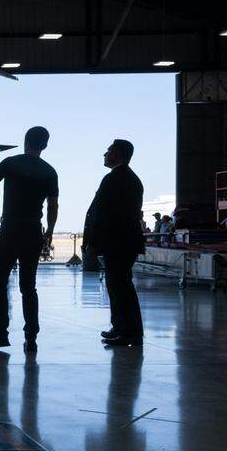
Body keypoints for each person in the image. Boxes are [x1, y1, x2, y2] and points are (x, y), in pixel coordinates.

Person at [0, 126, 59, 354]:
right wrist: (49, 232)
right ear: (44, 145)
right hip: (33, 230)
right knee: (28, 286)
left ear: (25, 141)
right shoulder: (49, 171)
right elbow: (53, 205)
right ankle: (31, 338)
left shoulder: (10, 163)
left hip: (10, 229)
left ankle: (1, 333)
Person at [84, 139, 146, 347]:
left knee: (120, 287)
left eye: (108, 150)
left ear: (117, 154)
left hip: (118, 242)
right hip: (124, 242)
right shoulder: (130, 178)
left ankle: (129, 332)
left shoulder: (114, 179)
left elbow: (103, 214)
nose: (105, 154)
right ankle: (120, 327)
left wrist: (93, 241)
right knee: (117, 285)